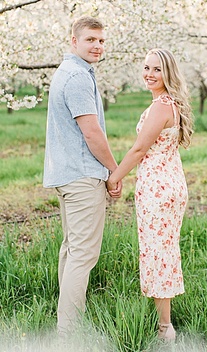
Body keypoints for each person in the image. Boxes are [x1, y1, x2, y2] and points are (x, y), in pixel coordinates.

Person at [107, 48, 193, 342]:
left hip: (158, 189)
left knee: (158, 253)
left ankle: (164, 329)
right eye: (146, 68)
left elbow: (139, 149)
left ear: (168, 73)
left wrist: (114, 177)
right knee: (163, 252)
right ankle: (164, 323)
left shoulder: (160, 107)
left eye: (156, 69)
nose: (149, 74)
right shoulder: (170, 104)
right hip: (170, 184)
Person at [43, 16, 122, 335]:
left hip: (66, 175)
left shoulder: (69, 72)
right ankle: (70, 331)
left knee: (72, 250)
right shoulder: (76, 76)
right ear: (73, 41)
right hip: (81, 177)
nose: (98, 46)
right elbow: (92, 132)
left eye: (101, 41)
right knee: (83, 255)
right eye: (91, 39)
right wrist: (114, 171)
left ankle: (67, 321)